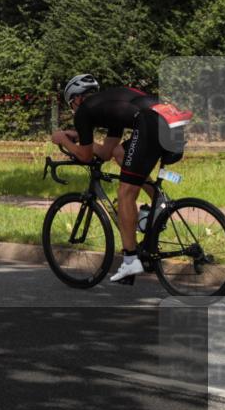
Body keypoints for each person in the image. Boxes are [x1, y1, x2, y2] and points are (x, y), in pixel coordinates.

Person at [51, 74, 190, 283]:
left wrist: (63, 139)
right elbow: (107, 152)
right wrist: (79, 138)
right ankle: (158, 201)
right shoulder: (110, 105)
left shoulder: (85, 111)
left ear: (77, 99)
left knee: (125, 193)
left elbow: (85, 156)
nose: (74, 108)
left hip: (150, 123)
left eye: (72, 104)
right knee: (120, 153)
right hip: (172, 121)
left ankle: (130, 261)